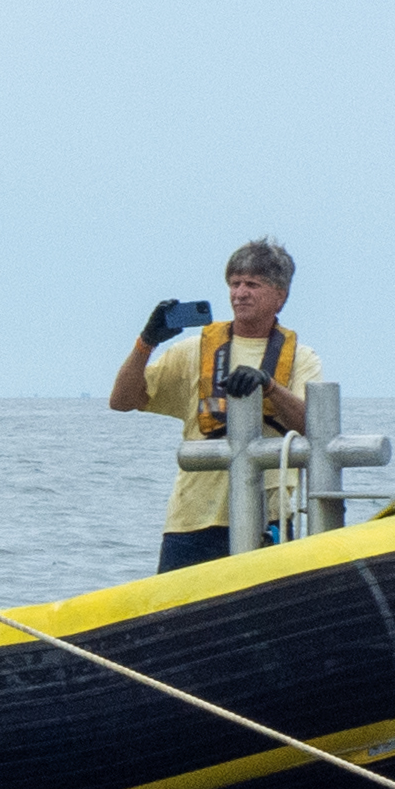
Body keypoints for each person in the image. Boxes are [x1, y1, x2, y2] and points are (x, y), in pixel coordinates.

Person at [112, 238, 313, 568]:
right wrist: (146, 341)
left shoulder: (302, 359)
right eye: (234, 283)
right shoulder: (193, 350)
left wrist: (270, 386)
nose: (240, 293)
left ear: (280, 295)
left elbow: (314, 426)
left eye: (253, 284)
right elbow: (121, 400)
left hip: (270, 517)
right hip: (192, 519)